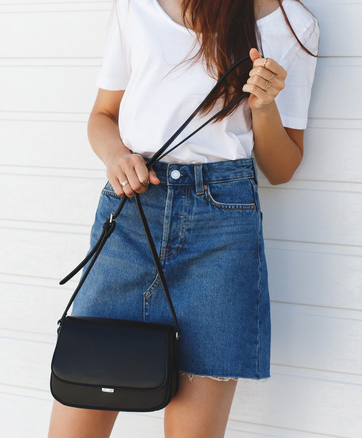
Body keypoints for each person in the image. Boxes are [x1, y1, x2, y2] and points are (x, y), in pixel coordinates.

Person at [49, 0, 319, 436]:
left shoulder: (292, 25)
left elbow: (282, 167)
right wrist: (116, 156)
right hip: (133, 212)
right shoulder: (136, 7)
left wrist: (265, 106)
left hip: (222, 230)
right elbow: (102, 117)